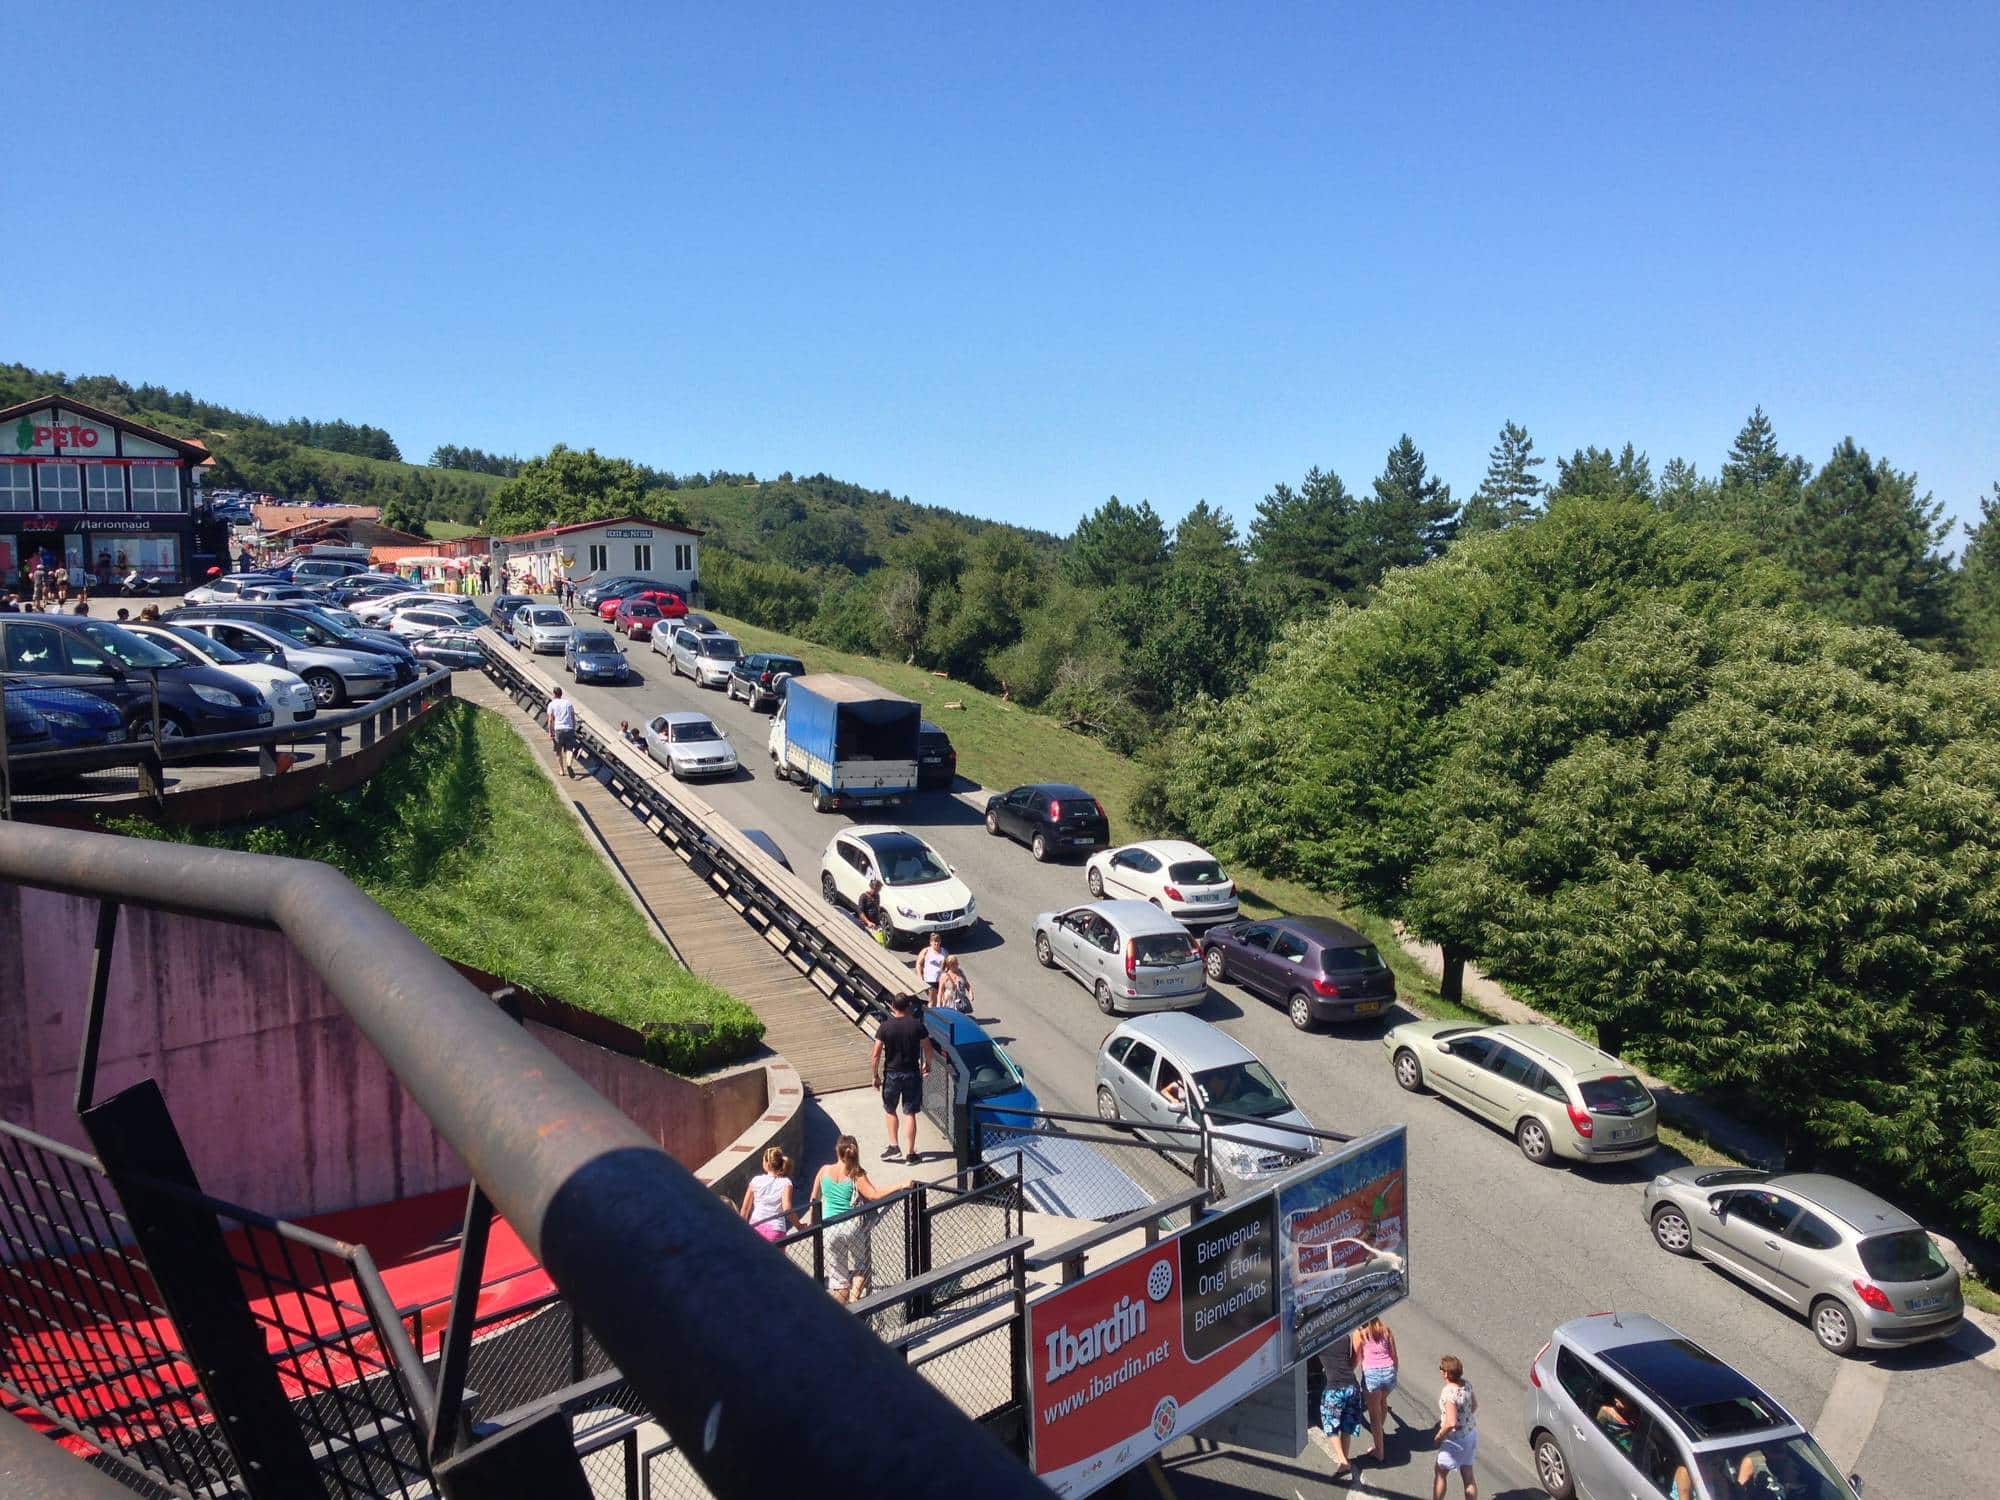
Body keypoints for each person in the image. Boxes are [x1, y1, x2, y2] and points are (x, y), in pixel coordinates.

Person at [808, 1136, 907, 1304]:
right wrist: (900, 1185)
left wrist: (812, 1226)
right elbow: (873, 1195)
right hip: (852, 1226)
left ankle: (842, 1316)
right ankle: (855, 1302)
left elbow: (814, 1200)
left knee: (839, 1279)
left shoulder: (824, 1171)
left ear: (837, 1151)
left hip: (830, 1228)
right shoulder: (856, 1173)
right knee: (861, 1266)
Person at [870, 993, 933, 1163]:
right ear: (908, 1007)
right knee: (910, 1112)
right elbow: (928, 1048)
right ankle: (911, 1154)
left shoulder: (885, 1027)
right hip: (912, 1072)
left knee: (890, 1109)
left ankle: (893, 1146)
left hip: (892, 1073)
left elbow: (875, 1055)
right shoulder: (917, 1025)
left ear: (892, 1006)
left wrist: (875, 1075)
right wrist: (927, 1064)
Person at [1351, 1317, 1398, 1464]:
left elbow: (1356, 1358)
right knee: (1382, 1401)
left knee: (1374, 1416)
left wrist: (1347, 1373)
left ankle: (1379, 1451)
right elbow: (1394, 1357)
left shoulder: (1360, 1333)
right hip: (1389, 1373)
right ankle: (1380, 1436)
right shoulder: (1386, 1330)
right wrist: (1393, 1372)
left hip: (1373, 1375)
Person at [1319, 1353, 1373, 1481]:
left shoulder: (1320, 1343)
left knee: (1329, 1426)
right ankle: (1345, 1459)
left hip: (1334, 1389)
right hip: (1352, 1388)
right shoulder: (1344, 1337)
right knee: (1346, 1425)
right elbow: (1352, 1359)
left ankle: (1343, 1461)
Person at [1433, 1355, 1477, 1500]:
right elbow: (1474, 1406)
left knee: (1440, 1472)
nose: (1440, 1371)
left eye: (1441, 1369)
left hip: (1455, 1440)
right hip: (1470, 1434)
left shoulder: (1448, 1393)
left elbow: (1451, 1422)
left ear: (1446, 1373)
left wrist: (1439, 1437)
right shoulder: (1467, 1384)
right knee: (1468, 1475)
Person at [738, 1146, 797, 1243]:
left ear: (767, 1164)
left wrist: (741, 1230)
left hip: (755, 1226)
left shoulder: (755, 1181)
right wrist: (799, 1225)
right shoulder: (786, 1183)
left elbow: (745, 1209)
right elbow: (787, 1208)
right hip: (776, 1229)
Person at [546, 688, 580, 778]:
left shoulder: (551, 704)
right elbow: (573, 717)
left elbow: (550, 720)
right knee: (569, 749)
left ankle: (561, 770)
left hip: (559, 729)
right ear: (561, 694)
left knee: (558, 751)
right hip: (569, 729)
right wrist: (573, 728)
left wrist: (550, 732)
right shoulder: (568, 703)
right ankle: (569, 764)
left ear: (554, 694)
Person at [915, 932, 947, 1004]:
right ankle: (930, 1014)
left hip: (941, 980)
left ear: (940, 941)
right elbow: (918, 964)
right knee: (932, 1001)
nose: (936, 943)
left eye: (938, 941)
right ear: (931, 942)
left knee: (942, 1000)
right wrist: (920, 977)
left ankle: (940, 1014)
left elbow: (947, 964)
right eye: (934, 941)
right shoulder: (926, 951)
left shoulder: (944, 951)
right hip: (930, 980)